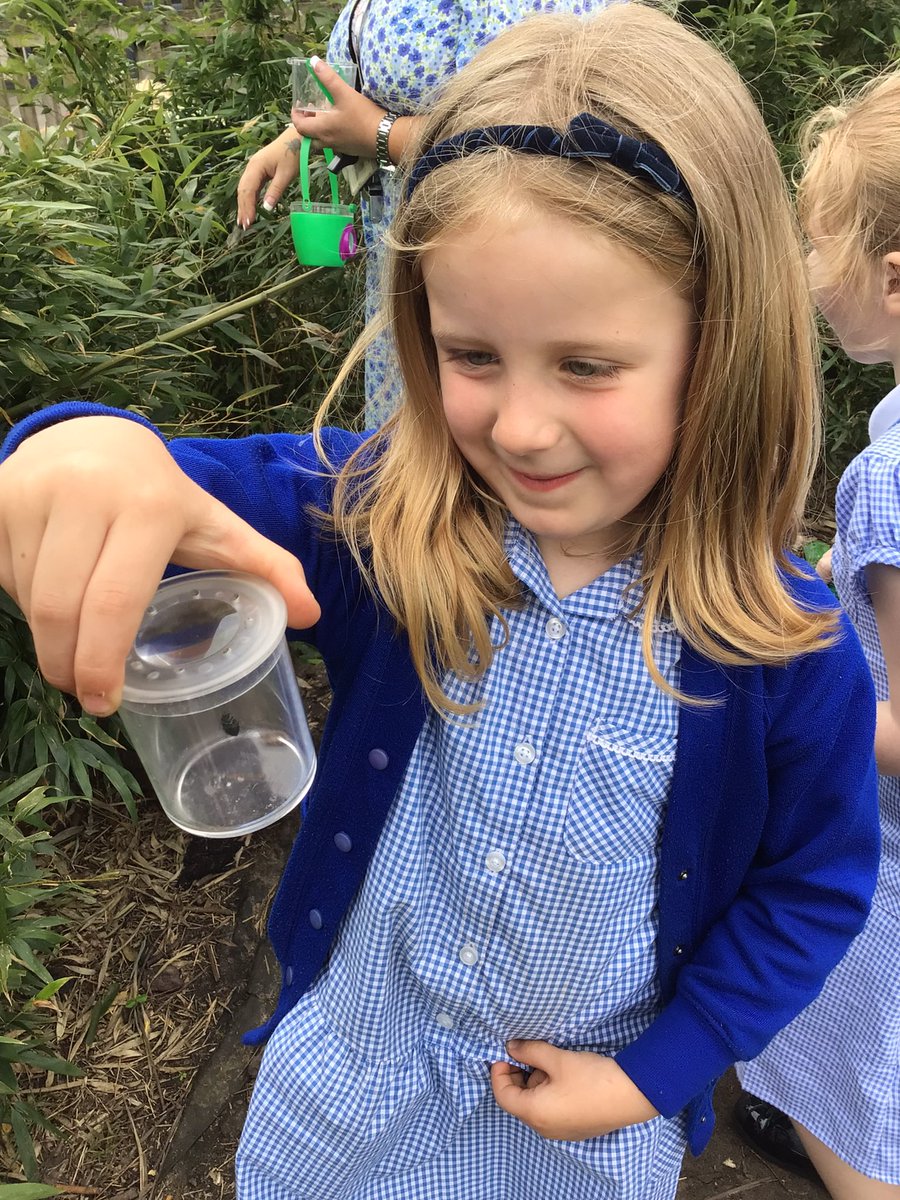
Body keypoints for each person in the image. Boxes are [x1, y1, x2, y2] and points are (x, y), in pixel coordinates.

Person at [0, 7, 882, 1199]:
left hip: (581, 1125)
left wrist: (656, 1074)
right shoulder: (379, 522)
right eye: (471, 355)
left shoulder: (785, 647)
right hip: (349, 1089)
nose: (519, 426)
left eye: (586, 365)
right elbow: (172, 486)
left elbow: (811, 884)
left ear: (719, 344)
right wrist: (72, 450)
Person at [735, 68, 900, 1200]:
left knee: (849, 1073)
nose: (807, 274)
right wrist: (838, 574)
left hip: (876, 859)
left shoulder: (891, 477)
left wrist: (800, 689)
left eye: (818, 243)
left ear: (894, 279)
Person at [236, 0, 624, 426]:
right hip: (409, 253)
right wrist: (299, 136)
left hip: (497, 258)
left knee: (496, 428)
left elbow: (545, 132)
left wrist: (377, 133)